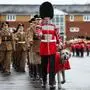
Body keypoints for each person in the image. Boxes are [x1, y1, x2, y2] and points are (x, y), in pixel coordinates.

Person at [38, 2, 62, 88]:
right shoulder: (40, 26)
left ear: (50, 17)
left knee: (52, 66)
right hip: (44, 48)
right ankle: (44, 80)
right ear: (43, 18)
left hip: (52, 48)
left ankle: (51, 82)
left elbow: (58, 36)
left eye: (48, 17)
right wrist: (40, 34)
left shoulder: (54, 26)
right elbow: (39, 33)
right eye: (45, 17)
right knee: (44, 66)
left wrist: (60, 43)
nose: (47, 19)